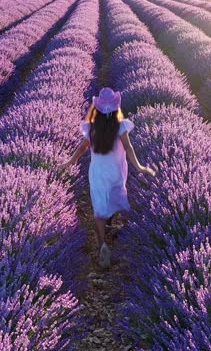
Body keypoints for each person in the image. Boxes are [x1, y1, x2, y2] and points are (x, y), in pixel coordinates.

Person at [59, 87, 156, 269]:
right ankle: (111, 224)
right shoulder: (120, 126)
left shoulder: (92, 128)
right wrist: (140, 167)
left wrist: (69, 163)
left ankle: (102, 242)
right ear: (115, 108)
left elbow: (81, 149)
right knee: (113, 197)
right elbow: (128, 148)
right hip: (116, 170)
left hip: (98, 172)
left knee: (99, 207)